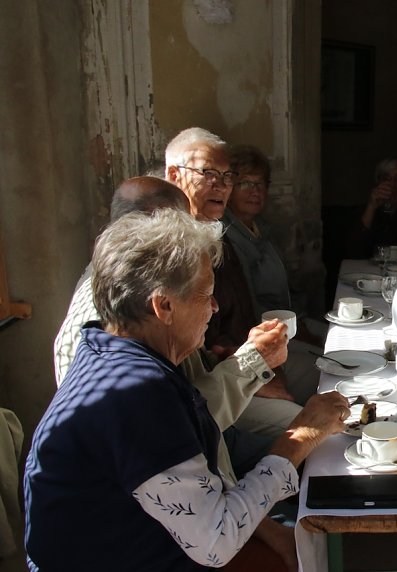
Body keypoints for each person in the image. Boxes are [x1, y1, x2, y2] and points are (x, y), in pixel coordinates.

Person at [26, 209, 351, 571]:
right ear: (163, 305)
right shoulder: (136, 394)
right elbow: (217, 540)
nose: (214, 308)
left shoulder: (107, 346)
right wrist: (301, 435)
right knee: (311, 545)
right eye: (206, 294)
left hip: (146, 541)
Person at [52, 176, 290, 483]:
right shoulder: (111, 320)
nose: (213, 306)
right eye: (181, 224)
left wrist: (230, 359)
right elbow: (176, 432)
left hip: (211, 447)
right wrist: (250, 364)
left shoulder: (147, 287)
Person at [164, 127, 307, 434]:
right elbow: (202, 357)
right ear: (174, 176)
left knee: (331, 378)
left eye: (227, 177)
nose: (221, 186)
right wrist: (255, 370)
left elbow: (239, 315)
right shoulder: (167, 248)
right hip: (210, 386)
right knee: (307, 426)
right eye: (208, 174)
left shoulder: (215, 233)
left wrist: (261, 363)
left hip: (245, 356)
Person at [216, 143, 323, 406]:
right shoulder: (226, 236)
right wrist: (296, 329)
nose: (256, 192)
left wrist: (301, 319)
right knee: (325, 365)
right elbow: (249, 304)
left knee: (341, 342)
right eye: (246, 184)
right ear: (229, 188)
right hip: (266, 333)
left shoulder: (260, 227)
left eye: (261, 184)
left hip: (290, 322)